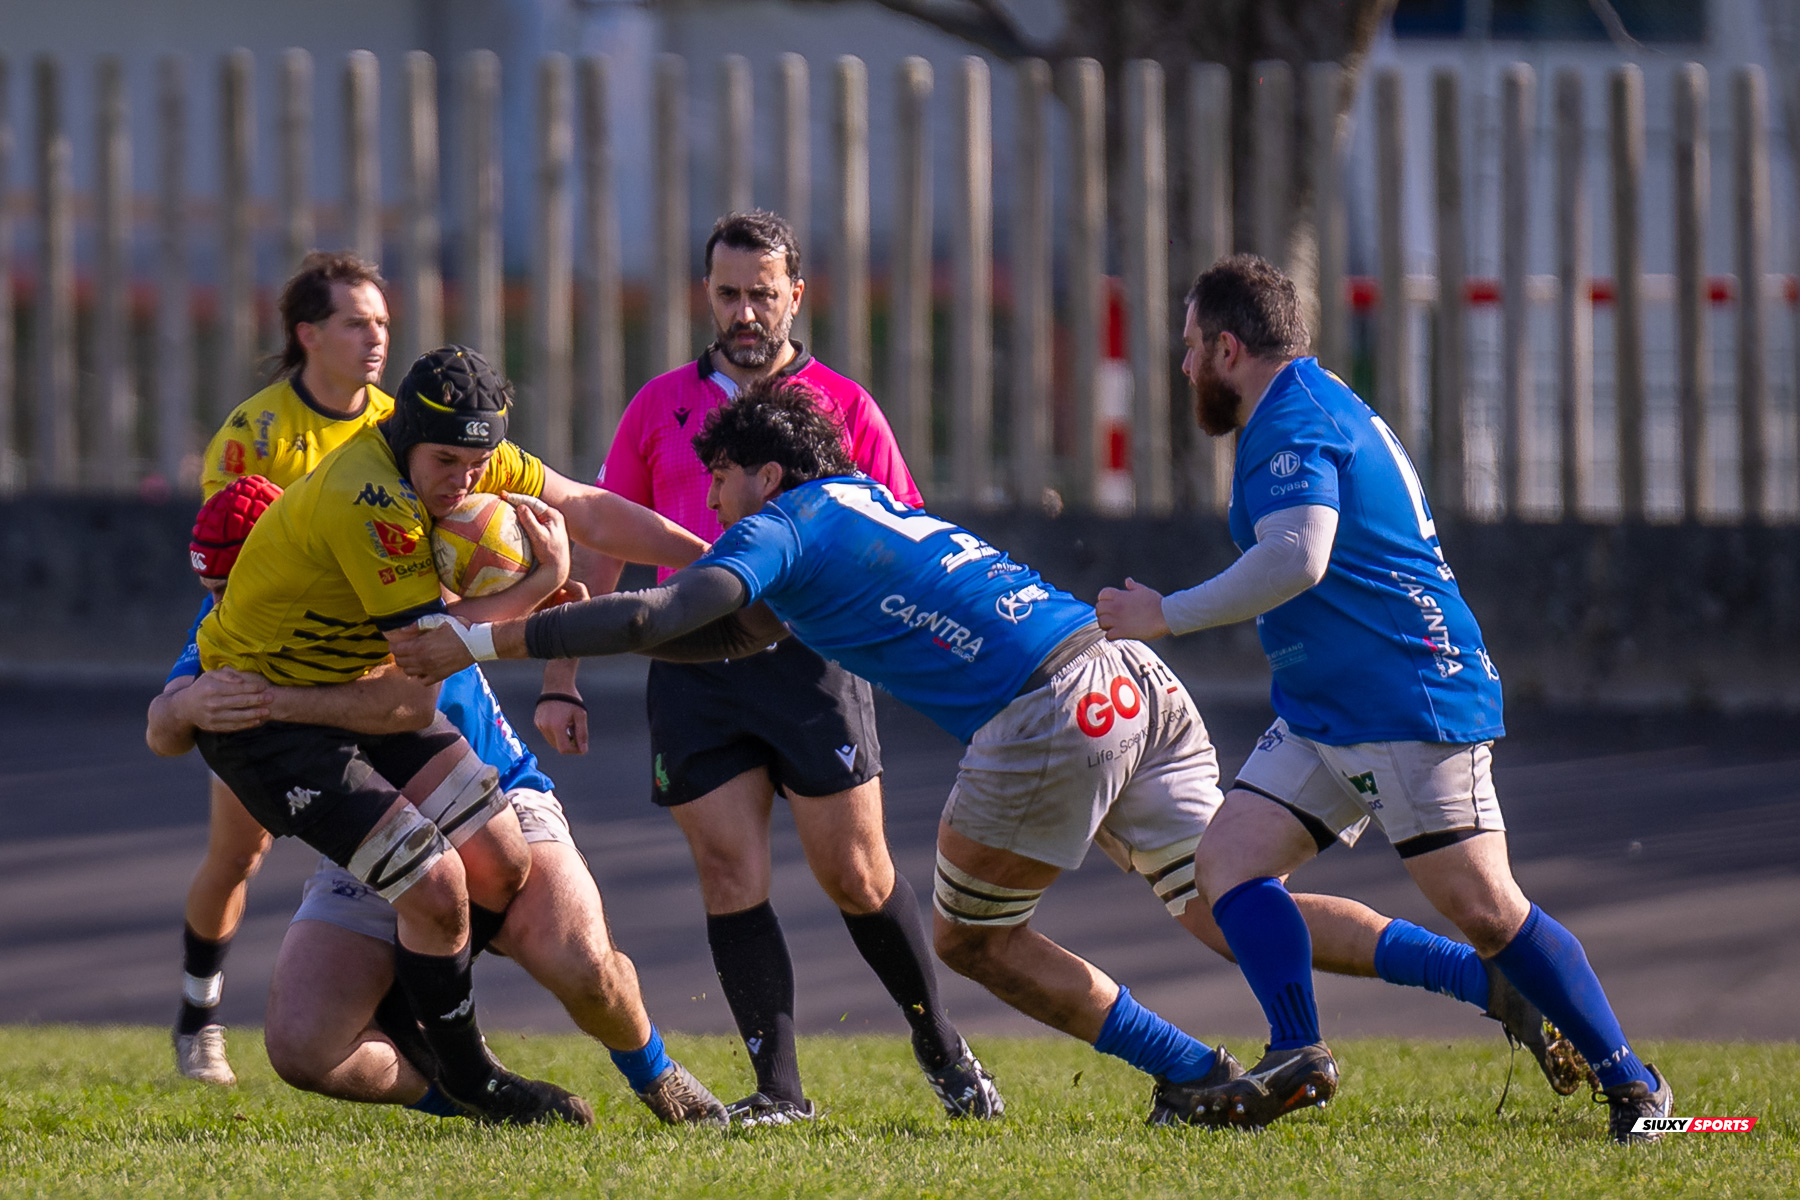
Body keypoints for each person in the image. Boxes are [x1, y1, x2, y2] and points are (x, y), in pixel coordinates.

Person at [389, 379, 1589, 1127]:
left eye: (720, 483)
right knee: (1224, 901)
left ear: (767, 471)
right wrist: (564, 613)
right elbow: (718, 637)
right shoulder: (864, 508)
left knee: (972, 939)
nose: (714, 505)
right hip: (1129, 680)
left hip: (1048, 714)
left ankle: (1194, 1069)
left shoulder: (784, 521)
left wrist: (481, 639)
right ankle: (1483, 980)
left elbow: (666, 611)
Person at [1092, 254, 1671, 1142]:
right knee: (1230, 863)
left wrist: (1162, 615)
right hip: (1329, 706)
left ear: (1228, 348)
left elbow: (1299, 557)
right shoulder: (1302, 405)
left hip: (1405, 697)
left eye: (1191, 346)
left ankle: (1637, 1087)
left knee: (1486, 909)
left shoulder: (1293, 420)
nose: (1183, 366)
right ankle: (1296, 1050)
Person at [188, 345, 704, 1125]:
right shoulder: (371, 503)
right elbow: (423, 659)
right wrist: (539, 584)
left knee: (516, 884)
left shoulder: (460, 457)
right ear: (403, 438)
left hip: (394, 728)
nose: (465, 483)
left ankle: (648, 1071)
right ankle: (470, 1082)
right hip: (297, 738)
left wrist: (723, 572)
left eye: (477, 463)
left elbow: (589, 509)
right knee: (325, 1020)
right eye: (446, 463)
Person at [565, 210, 991, 1125]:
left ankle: (944, 1047)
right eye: (729, 294)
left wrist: (937, 652)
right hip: (692, 665)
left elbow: (904, 535)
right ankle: (779, 1091)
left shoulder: (844, 405)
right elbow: (603, 536)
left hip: (812, 663)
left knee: (857, 874)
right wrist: (562, 679)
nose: (746, 312)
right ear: (706, 295)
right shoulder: (659, 404)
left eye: (763, 294)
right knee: (729, 875)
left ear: (796, 295)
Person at [171, 251, 399, 1084]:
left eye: (382, 322)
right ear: (308, 334)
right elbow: (221, 567)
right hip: (268, 660)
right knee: (241, 852)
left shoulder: (397, 425)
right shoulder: (256, 435)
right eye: (356, 323)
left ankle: (401, 1022)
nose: (376, 338)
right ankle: (198, 1015)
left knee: (407, 845)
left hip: (372, 664)